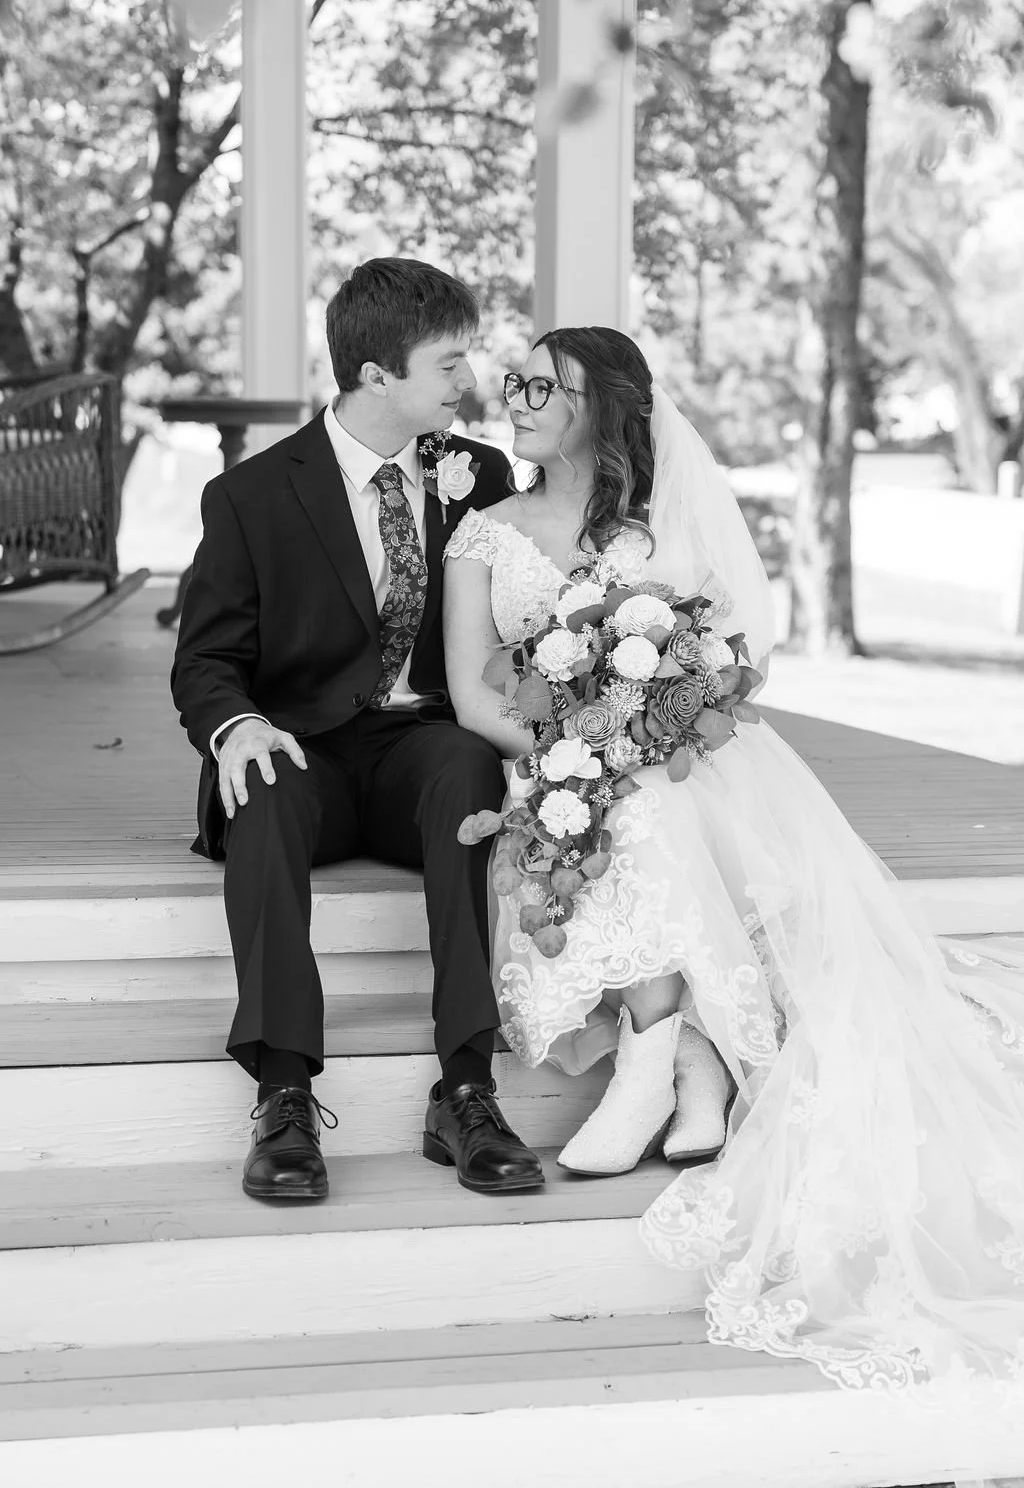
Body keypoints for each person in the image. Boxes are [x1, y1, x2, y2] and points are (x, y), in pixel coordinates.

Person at [443, 325, 1024, 1391]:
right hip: (547, 762)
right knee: (626, 815)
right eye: (515, 383)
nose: (515, 401)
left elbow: (715, 660)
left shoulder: (656, 531)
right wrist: (575, 751)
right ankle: (689, 1062)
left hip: (677, 761)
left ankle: (653, 1070)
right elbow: (473, 694)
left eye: (543, 387)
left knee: (655, 810)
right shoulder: (483, 534)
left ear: (601, 408)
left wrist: (637, 734)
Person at [171, 257, 544, 1203]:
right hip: (302, 750)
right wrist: (237, 726)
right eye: (449, 363)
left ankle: (466, 1088)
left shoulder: (479, 476)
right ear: (377, 375)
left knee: (466, 766)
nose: (470, 381)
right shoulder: (251, 495)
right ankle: (283, 1093)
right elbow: (205, 659)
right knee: (261, 780)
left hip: (418, 750)